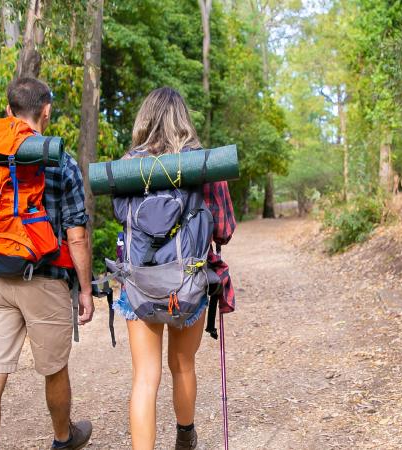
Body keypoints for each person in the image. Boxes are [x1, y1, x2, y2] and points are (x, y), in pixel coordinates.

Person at [0, 77, 95, 450]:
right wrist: (86, 290)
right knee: (53, 367)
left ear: (8, 111)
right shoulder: (60, 160)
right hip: (44, 280)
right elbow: (76, 235)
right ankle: (63, 438)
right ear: (47, 111)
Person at [114, 87, 236, 450]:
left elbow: (122, 219)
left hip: (139, 284)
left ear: (144, 120)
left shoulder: (127, 166)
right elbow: (225, 231)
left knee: (144, 378)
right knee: (182, 364)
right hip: (187, 282)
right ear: (184, 120)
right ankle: (185, 436)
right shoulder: (203, 164)